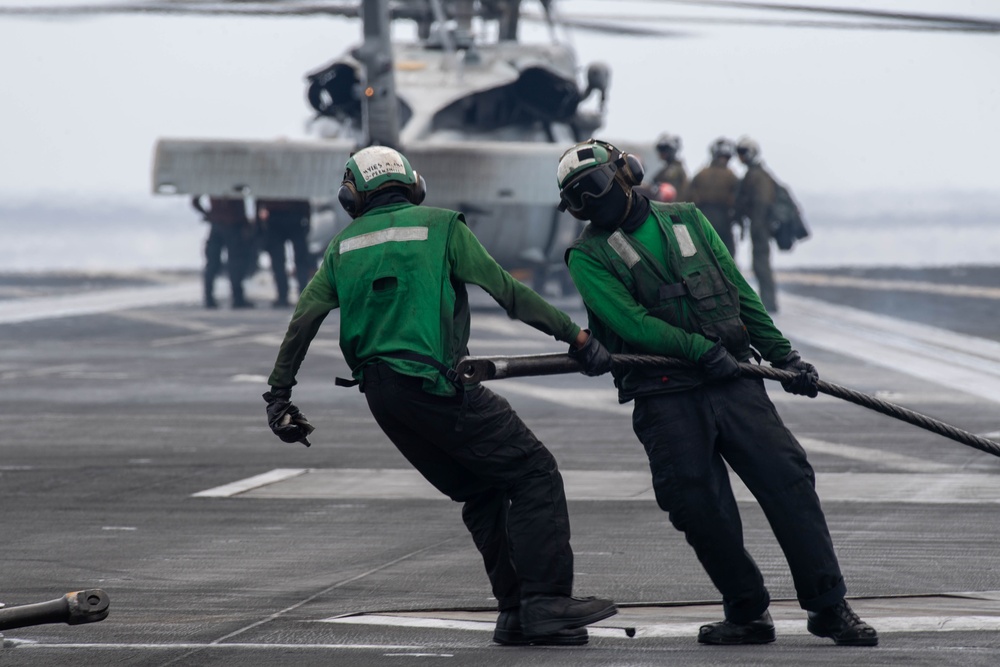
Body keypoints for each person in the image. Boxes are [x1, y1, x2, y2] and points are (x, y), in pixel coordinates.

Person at [263, 145, 618, 646]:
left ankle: (516, 612)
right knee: (534, 471)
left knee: (483, 489)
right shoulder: (442, 226)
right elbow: (509, 293)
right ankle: (547, 602)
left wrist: (279, 396)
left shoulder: (342, 248)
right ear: (413, 183)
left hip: (384, 399)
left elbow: (303, 323)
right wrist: (577, 338)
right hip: (435, 387)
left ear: (351, 197)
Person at [556, 139, 878, 647]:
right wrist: (698, 350)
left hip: (734, 380)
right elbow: (631, 324)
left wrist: (782, 355)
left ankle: (829, 607)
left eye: (594, 189)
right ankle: (747, 613)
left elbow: (737, 291)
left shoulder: (687, 218)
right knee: (698, 505)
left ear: (626, 174)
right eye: (576, 200)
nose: (589, 205)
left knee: (789, 482)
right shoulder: (587, 254)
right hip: (665, 395)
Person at [733, 136, 779, 312]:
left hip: (760, 225)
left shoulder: (757, 176)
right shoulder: (754, 174)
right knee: (759, 263)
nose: (740, 157)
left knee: (761, 264)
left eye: (743, 153)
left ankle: (769, 303)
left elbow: (762, 202)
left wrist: (757, 226)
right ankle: (768, 302)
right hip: (757, 224)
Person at [191, 195, 255, 309]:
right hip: (232, 224)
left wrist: (209, 214)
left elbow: (195, 201)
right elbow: (195, 201)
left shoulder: (213, 181)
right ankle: (236, 299)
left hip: (219, 224)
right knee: (233, 263)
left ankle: (210, 299)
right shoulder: (232, 182)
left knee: (214, 264)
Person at [255, 198, 317, 308]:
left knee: (285, 260)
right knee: (287, 260)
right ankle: (292, 295)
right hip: (288, 216)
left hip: (286, 216)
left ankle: (286, 296)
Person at [686, 138, 740, 256]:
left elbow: (689, 197)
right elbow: (738, 201)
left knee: (705, 252)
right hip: (723, 219)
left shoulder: (701, 174)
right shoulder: (731, 176)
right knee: (727, 254)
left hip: (703, 219)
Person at [651, 132, 688, 199]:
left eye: (664, 149)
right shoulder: (666, 169)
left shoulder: (674, 170)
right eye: (661, 150)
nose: (662, 153)